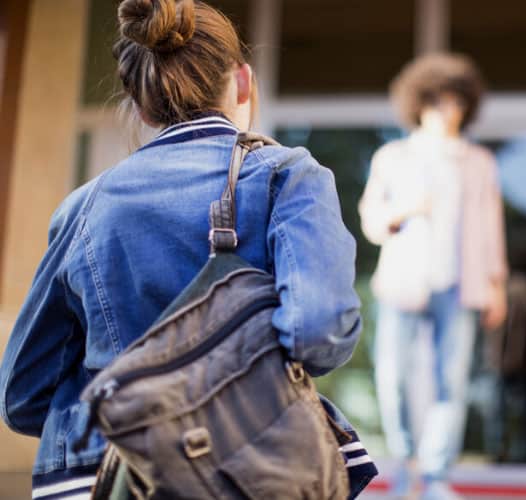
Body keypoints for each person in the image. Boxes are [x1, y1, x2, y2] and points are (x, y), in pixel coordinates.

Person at [0, 1, 365, 498]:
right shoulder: (288, 175)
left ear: (142, 106)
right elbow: (318, 332)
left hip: (99, 475)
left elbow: (23, 395)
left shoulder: (82, 207)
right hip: (248, 469)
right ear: (243, 82)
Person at [359, 53, 508, 500]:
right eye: (441, 101)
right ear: (419, 103)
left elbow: (490, 227)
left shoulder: (479, 161)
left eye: (458, 103)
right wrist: (404, 210)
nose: (451, 111)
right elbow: (370, 220)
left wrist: (496, 284)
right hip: (404, 282)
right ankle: (405, 465)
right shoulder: (393, 156)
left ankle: (437, 476)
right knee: (391, 377)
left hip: (459, 284)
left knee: (452, 380)